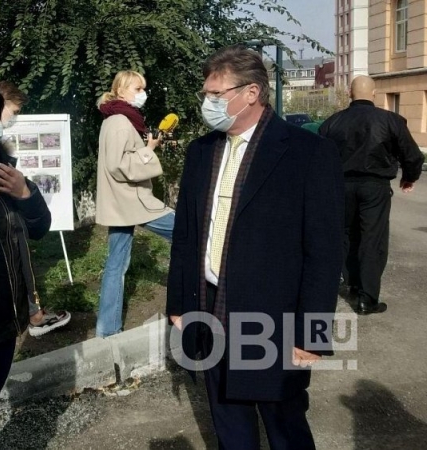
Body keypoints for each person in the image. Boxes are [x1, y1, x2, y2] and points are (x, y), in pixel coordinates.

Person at [166, 45, 344, 449]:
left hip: (272, 318)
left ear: (251, 92)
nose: (208, 102)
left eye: (217, 94)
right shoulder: (201, 152)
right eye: (206, 94)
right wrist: (179, 303)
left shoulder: (308, 153)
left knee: (284, 424)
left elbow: (325, 250)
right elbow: (186, 236)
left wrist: (311, 334)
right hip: (210, 306)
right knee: (228, 421)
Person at [0, 81, 69, 448]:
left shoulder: (1, 164)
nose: (2, 121)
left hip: (6, 319)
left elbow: (39, 227)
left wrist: (25, 192)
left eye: (1, 113)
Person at [319, 75, 424, 315]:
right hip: (374, 186)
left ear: (349, 92)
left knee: (345, 235)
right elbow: (412, 154)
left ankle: (350, 284)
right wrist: (409, 177)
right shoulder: (391, 121)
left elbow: (319, 158)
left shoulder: (332, 123)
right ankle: (367, 298)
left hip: (341, 185)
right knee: (372, 238)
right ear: (374, 93)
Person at [94, 70, 175, 338]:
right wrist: (149, 149)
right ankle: (205, 292)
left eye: (143, 88)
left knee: (116, 264)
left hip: (122, 203)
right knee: (189, 231)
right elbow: (119, 164)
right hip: (132, 200)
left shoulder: (116, 118)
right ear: (120, 91)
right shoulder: (120, 120)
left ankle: (107, 331)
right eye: (137, 88)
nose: (143, 94)